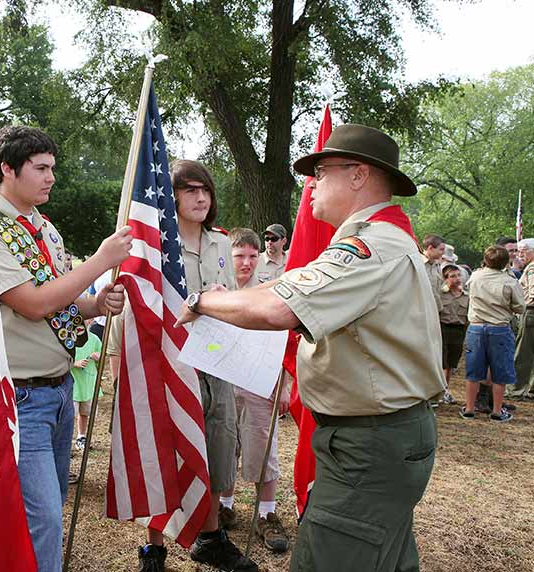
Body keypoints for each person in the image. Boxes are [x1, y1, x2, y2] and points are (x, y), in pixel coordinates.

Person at [177, 124, 446, 572]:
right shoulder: (382, 240)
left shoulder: (369, 247)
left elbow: (279, 308)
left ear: (358, 175)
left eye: (321, 171)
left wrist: (202, 300)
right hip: (382, 434)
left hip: (369, 442)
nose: (311, 184)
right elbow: (287, 288)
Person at [0, 125, 130, 572]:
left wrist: (94, 304)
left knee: (52, 505)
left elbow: (61, 300)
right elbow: (31, 304)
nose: (51, 178)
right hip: (22, 396)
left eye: (53, 168)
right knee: (42, 517)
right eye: (41, 168)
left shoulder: (43, 228)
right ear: (7, 169)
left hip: (60, 387)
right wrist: (101, 262)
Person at [138, 160, 256, 572]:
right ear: (170, 197)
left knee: (215, 451)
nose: (200, 197)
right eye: (189, 190)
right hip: (172, 364)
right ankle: (154, 547)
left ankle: (209, 537)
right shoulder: (157, 246)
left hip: (216, 363)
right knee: (169, 452)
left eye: (204, 189)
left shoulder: (221, 243)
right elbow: (147, 306)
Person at [224, 228, 290, 553]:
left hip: (259, 383)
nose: (248, 262)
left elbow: (284, 343)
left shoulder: (268, 293)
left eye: (253, 255)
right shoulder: (216, 291)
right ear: (228, 255)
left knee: (262, 445)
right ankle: (225, 506)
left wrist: (284, 384)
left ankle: (267, 513)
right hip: (222, 382)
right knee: (224, 446)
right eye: (240, 256)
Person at [461, 245, 523, 422]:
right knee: (499, 371)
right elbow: (520, 306)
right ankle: (497, 410)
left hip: (476, 327)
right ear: (506, 262)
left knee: (473, 370)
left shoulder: (475, 276)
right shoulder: (509, 281)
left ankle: (469, 408)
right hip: (499, 328)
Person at [439, 263, 469, 405]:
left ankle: (445, 389)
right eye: (452, 276)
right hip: (443, 329)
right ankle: (439, 390)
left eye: (458, 275)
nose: (457, 279)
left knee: (451, 363)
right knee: (442, 361)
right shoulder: (441, 294)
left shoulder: (467, 295)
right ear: (445, 279)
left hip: (458, 330)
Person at [508, 238, 534, 400]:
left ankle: (515, 390)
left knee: (523, 353)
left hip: (530, 312)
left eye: (523, 251)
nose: (519, 255)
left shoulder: (532, 269)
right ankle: (531, 388)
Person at [71, 330, 103, 452]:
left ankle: (81, 437)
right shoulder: (68, 337)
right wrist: (75, 363)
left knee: (84, 413)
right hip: (73, 384)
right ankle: (66, 441)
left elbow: (102, 353)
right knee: (69, 415)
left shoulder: (94, 338)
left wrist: (98, 356)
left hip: (88, 384)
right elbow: (60, 359)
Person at [423, 234, 445, 311]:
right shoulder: (417, 265)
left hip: (435, 310)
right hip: (422, 311)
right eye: (441, 249)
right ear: (430, 248)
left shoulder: (438, 265)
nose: (443, 253)